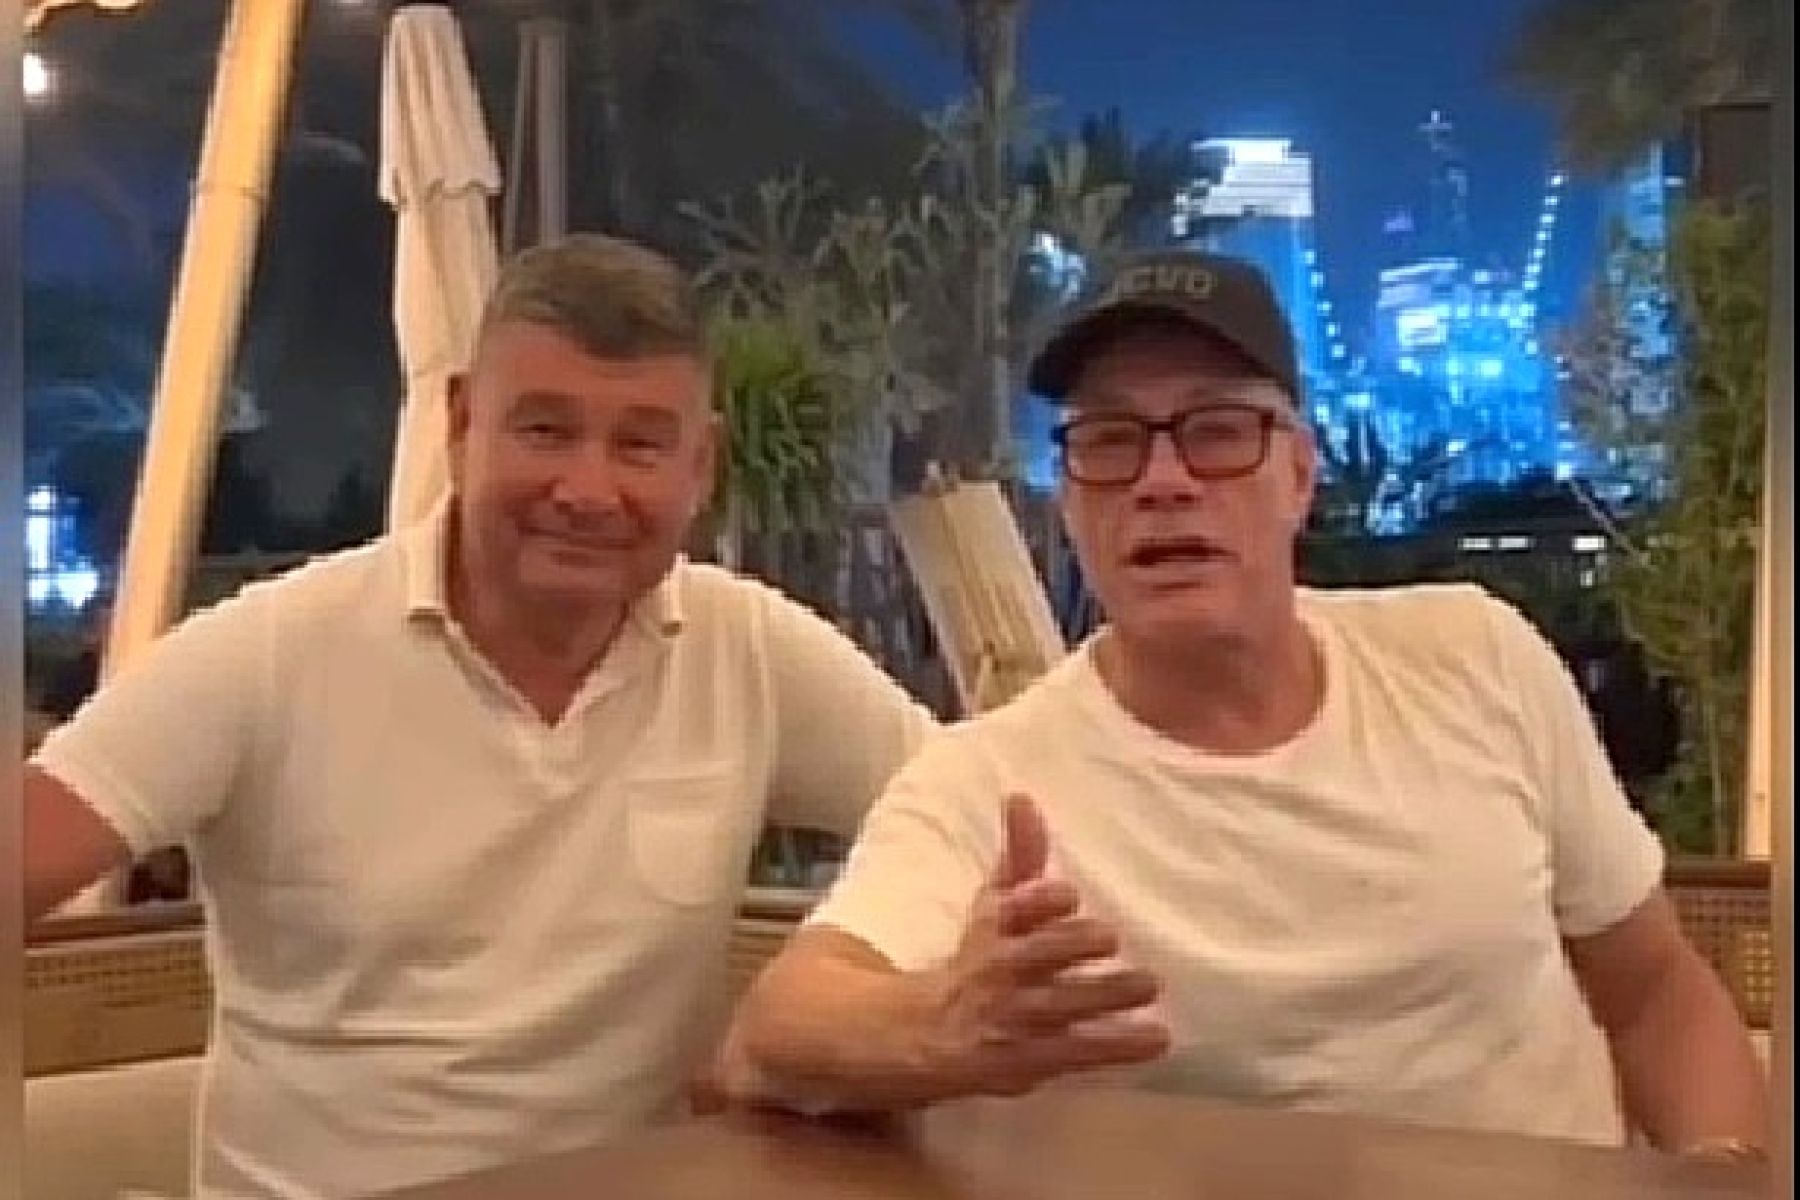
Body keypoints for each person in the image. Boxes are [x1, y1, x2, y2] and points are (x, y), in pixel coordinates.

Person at [715, 250, 1770, 1161]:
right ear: (1071, 502)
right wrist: (944, 1025)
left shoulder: (1474, 658)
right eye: (1111, 442)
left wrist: (1727, 1170)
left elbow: (1657, 996)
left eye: (1217, 432)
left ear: (1299, 476)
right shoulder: (993, 780)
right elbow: (777, 1029)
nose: (1163, 480)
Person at [24, 233, 936, 1197]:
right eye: (544, 431)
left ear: (700, 464)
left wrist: (842, 1010)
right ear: (461, 425)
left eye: (639, 445)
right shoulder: (273, 649)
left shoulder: (747, 649)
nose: (588, 491)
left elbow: (975, 817)